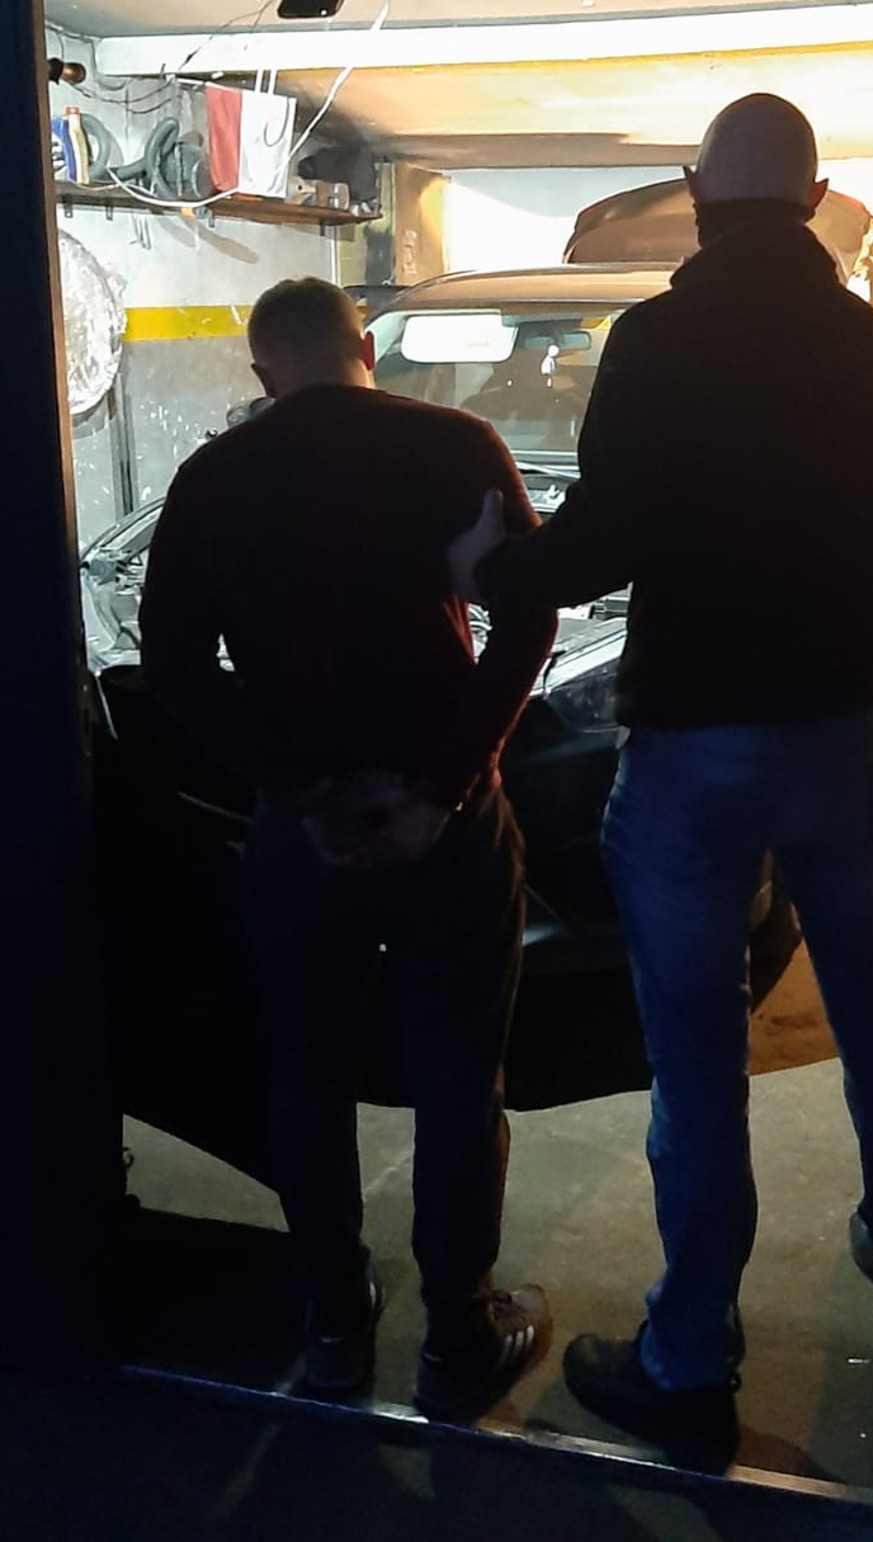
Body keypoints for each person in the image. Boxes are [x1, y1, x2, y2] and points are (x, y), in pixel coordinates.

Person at [448, 94, 873, 1458]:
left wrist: (493, 570)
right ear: (815, 199)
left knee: (696, 1055)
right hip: (840, 738)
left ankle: (688, 1361)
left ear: (691, 190)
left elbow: (600, 540)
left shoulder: (657, 342)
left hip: (693, 755)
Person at [139, 277, 557, 1418]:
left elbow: (173, 663)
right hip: (446, 830)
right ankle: (456, 1341)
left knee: (306, 1076)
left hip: (302, 839)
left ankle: (331, 1323)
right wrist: (442, 785)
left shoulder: (214, 476)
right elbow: (529, 618)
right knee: (458, 1081)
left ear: (262, 370)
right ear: (363, 345)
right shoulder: (456, 443)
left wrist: (298, 788)